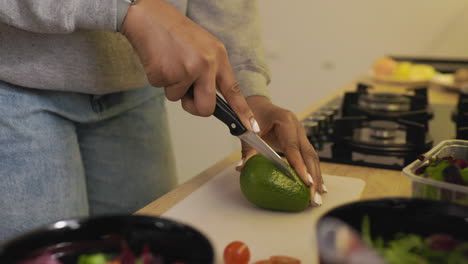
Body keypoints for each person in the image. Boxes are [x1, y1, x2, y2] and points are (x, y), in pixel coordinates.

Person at [0, 0, 326, 243]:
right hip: (14, 82)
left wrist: (248, 91)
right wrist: (123, 8)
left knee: (149, 248)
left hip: (133, 84)